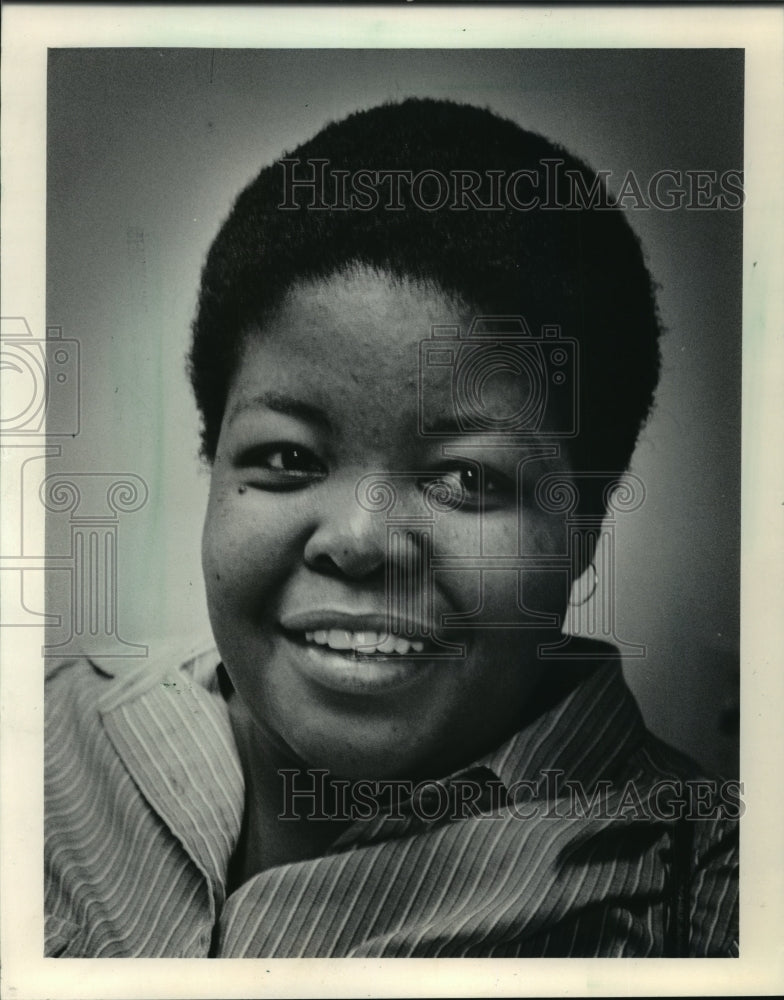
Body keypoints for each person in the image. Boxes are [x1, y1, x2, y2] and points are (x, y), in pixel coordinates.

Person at [45, 98, 738, 957]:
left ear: (585, 526)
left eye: (466, 478)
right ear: (213, 459)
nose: (361, 541)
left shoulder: (712, 903)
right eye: (290, 460)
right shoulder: (44, 743)